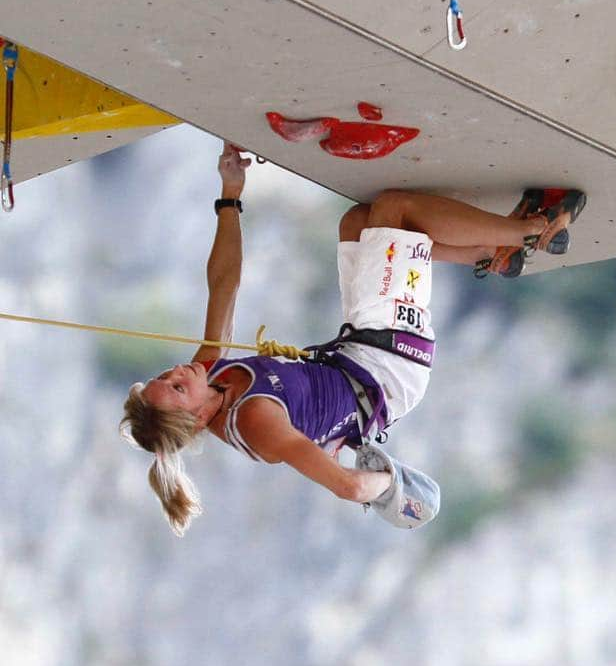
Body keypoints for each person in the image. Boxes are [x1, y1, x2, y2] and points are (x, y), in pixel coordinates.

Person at [120, 143, 586, 536]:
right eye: (178, 387)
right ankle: (533, 229)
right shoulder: (257, 421)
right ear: (199, 417)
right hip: (389, 367)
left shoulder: (209, 378)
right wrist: (389, 485)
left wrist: (230, 193)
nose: (180, 371)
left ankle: (487, 252)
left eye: (166, 374)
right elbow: (344, 485)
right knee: (393, 209)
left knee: (359, 223)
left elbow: (224, 284)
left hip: (361, 352)